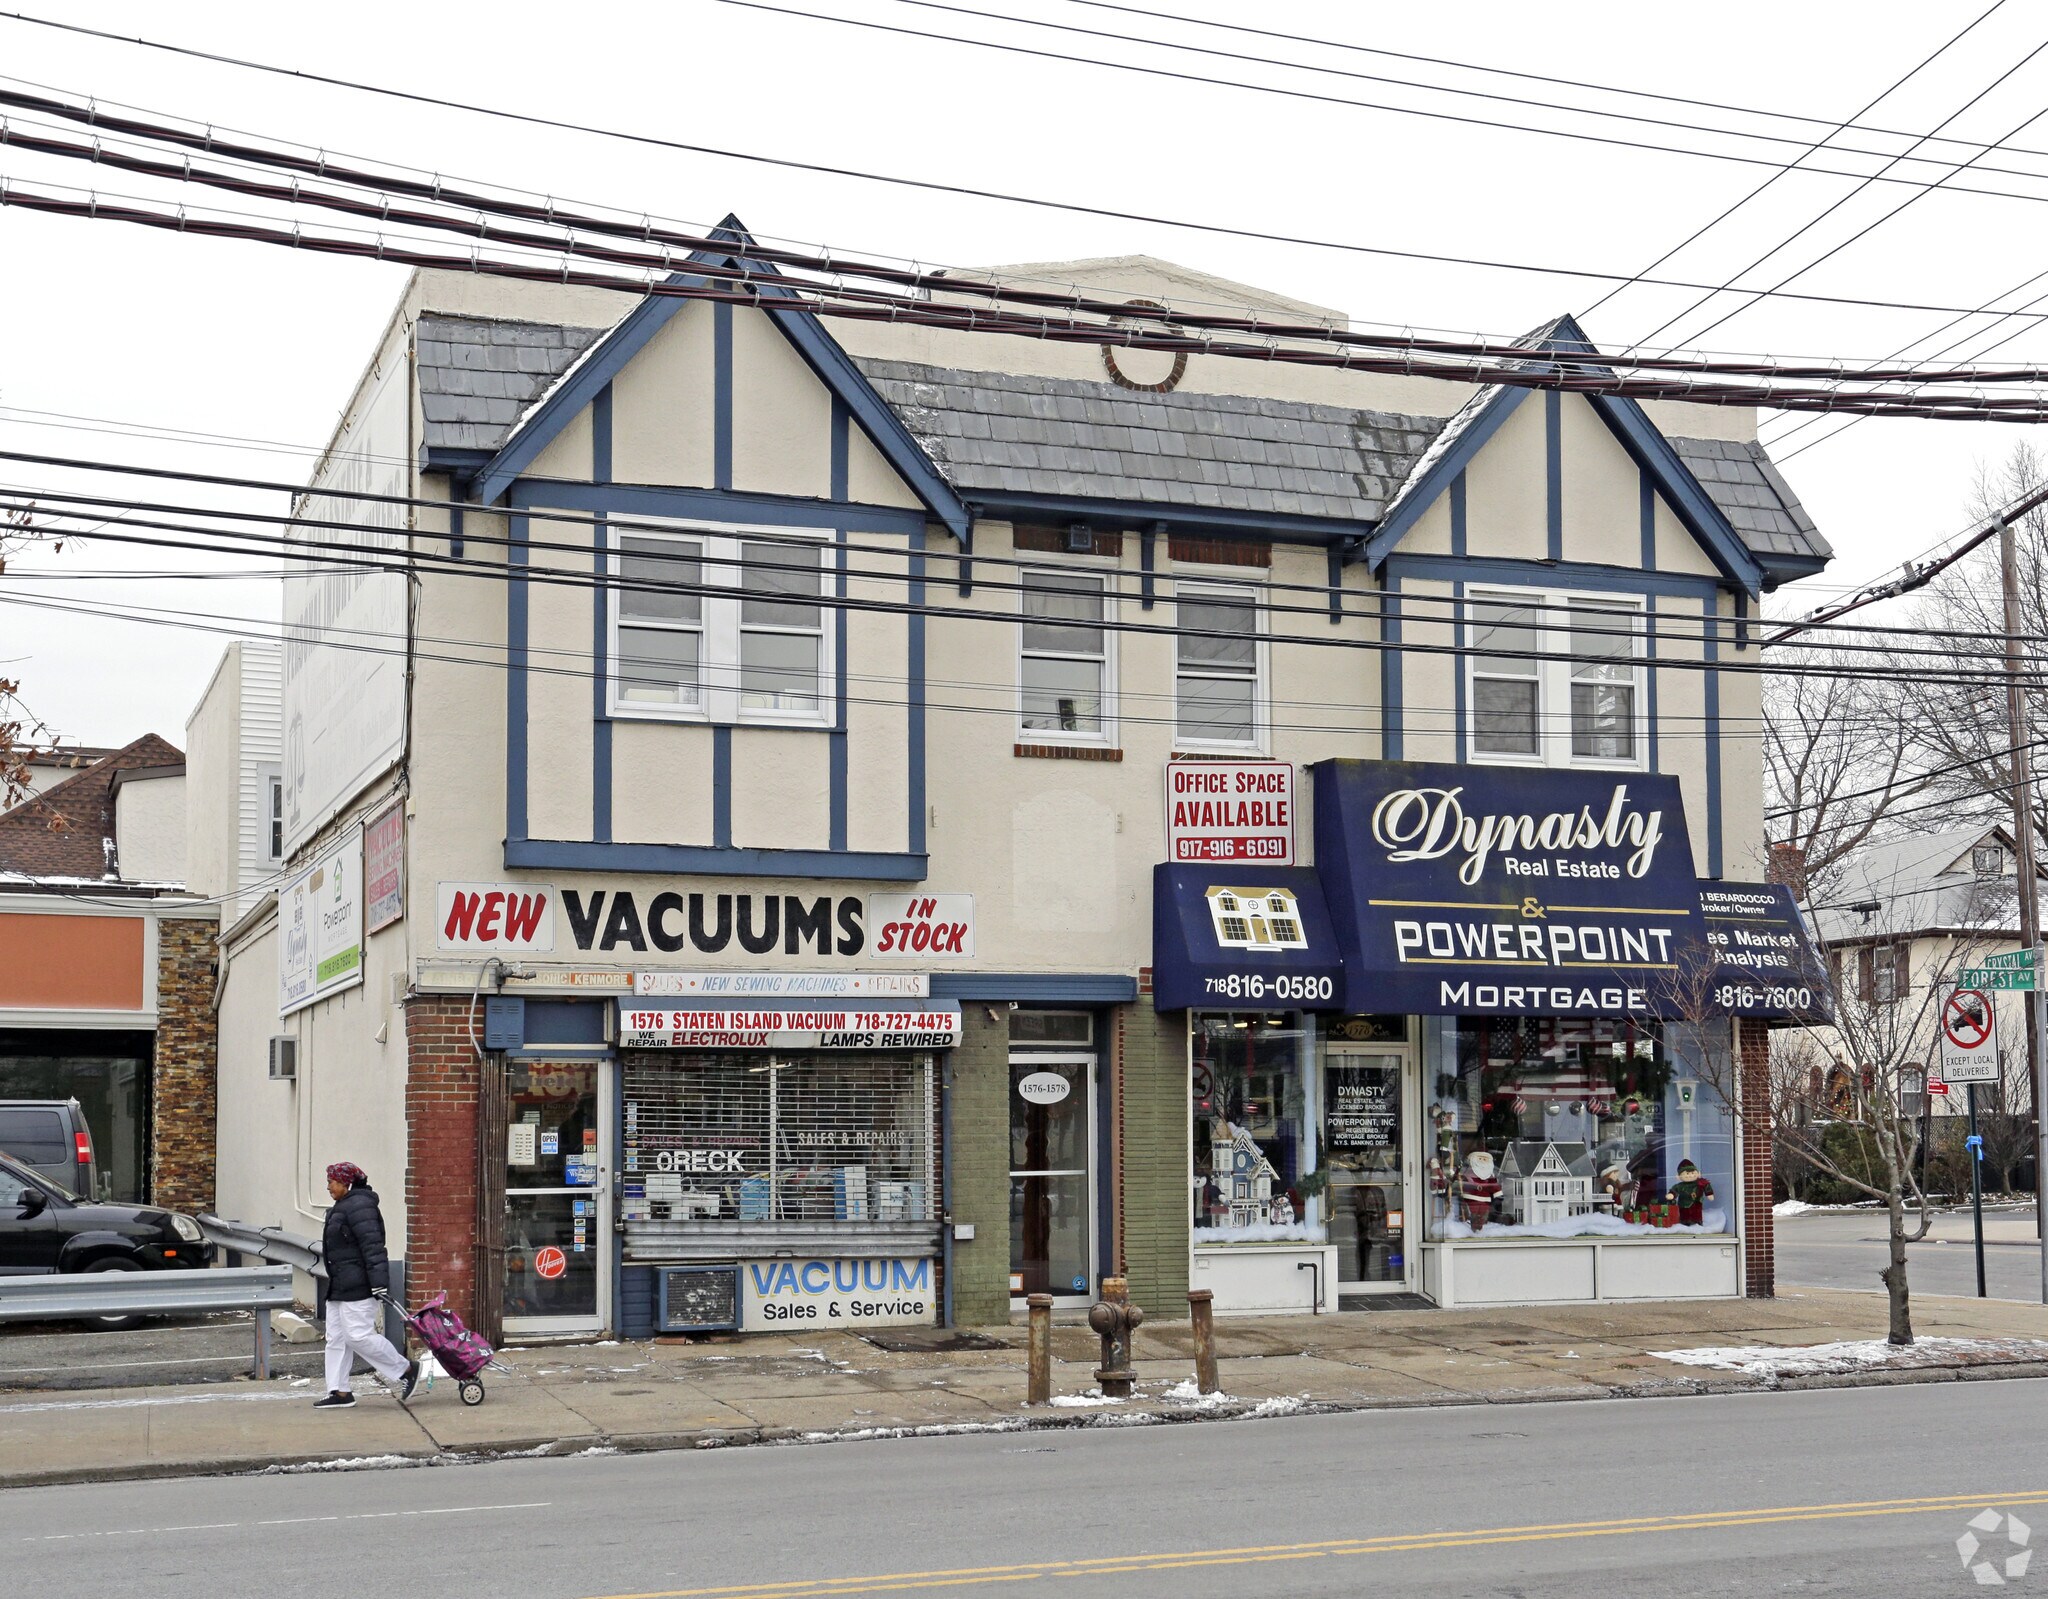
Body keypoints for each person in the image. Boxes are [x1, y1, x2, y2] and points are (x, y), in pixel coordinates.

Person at [315, 1161, 419, 1409]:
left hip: (359, 1285)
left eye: (332, 1181)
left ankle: (405, 1370)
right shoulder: (344, 1206)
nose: (328, 1186)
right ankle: (339, 1392)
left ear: (347, 1183)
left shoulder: (360, 1206)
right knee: (336, 1339)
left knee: (358, 1336)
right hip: (340, 1285)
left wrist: (379, 1283)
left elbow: (373, 1248)